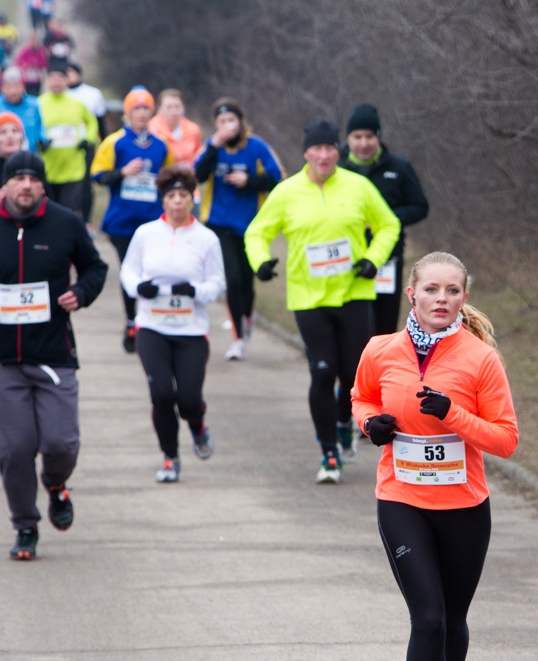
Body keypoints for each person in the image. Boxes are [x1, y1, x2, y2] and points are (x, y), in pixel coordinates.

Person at [350, 251, 518, 661]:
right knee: (426, 618)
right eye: (432, 290)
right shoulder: (381, 350)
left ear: (464, 298)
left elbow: (506, 439)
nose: (441, 299)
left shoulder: (480, 358)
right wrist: (370, 424)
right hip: (401, 499)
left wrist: (454, 415)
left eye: (452, 291)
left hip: (464, 506)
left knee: (452, 621)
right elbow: (359, 398)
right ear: (412, 295)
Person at [0, 151, 108, 561]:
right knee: (15, 449)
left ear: (42, 184)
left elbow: (95, 268)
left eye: (33, 179)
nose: (26, 186)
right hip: (1, 358)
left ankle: (56, 484)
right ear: (6, 185)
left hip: (54, 354)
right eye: (17, 178)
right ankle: (25, 526)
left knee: (61, 443)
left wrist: (82, 293)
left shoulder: (66, 223)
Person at [244, 117, 399, 481]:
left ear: (338, 152)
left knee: (352, 376)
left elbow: (389, 224)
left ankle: (345, 420)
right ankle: (329, 453)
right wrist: (261, 263)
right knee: (322, 370)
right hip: (308, 297)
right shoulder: (287, 191)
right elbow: (256, 233)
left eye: (331, 148)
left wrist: (372, 260)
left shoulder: (358, 186)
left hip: (353, 294)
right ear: (306, 153)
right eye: (317, 148)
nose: (324, 155)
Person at [119, 166, 225, 482]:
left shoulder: (207, 239)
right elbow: (128, 272)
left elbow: (218, 283)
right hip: (152, 327)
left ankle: (198, 426)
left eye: (183, 196)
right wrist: (140, 288)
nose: (177, 203)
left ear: (191, 198)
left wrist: (195, 291)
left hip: (191, 330)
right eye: (171, 196)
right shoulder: (146, 234)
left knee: (189, 400)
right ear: (162, 200)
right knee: (162, 394)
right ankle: (170, 457)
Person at [194, 99, 283, 361]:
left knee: (246, 281)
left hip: (250, 226)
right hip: (218, 224)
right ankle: (237, 339)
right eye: (221, 122)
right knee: (231, 280)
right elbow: (197, 176)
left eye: (231, 121)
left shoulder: (256, 146)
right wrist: (213, 147)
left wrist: (249, 181)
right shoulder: (212, 146)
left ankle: (247, 317)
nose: (226, 126)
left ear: (240, 122)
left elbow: (277, 179)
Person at [91, 87, 172, 353]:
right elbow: (98, 177)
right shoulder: (114, 142)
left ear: (152, 113)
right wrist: (122, 172)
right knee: (130, 272)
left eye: (146, 108)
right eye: (136, 108)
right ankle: (130, 321)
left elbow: (168, 179)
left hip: (152, 221)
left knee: (152, 271)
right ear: (127, 113)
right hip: (122, 222)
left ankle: (149, 322)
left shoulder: (160, 146)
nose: (141, 113)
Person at [339, 104, 430, 336]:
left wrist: (385, 219)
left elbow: (420, 207)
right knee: (350, 328)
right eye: (357, 136)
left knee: (383, 328)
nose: (363, 143)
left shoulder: (399, 167)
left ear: (378, 136)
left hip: (387, 260)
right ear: (348, 138)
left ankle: (380, 372)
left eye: (369, 136)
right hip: (344, 257)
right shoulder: (336, 168)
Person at [37, 59, 98, 214]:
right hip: (48, 168)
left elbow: (92, 122)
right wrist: (39, 141)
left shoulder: (77, 103)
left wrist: (88, 140)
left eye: (60, 78)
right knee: (48, 211)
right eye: (53, 78)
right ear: (47, 81)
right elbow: (32, 128)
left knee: (68, 211)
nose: (56, 82)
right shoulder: (39, 103)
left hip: (73, 168)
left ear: (67, 80)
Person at [65, 64, 106, 225]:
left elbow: (100, 121)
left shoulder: (93, 94)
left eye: (71, 73)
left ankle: (87, 221)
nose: (68, 77)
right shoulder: (60, 96)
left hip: (87, 145)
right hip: (66, 147)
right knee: (70, 185)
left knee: (86, 184)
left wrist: (103, 142)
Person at [149, 89, 201, 170]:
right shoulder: (151, 129)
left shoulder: (193, 129)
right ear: (159, 109)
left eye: (177, 107)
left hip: (186, 178)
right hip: (161, 178)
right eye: (169, 107)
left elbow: (197, 157)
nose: (174, 112)